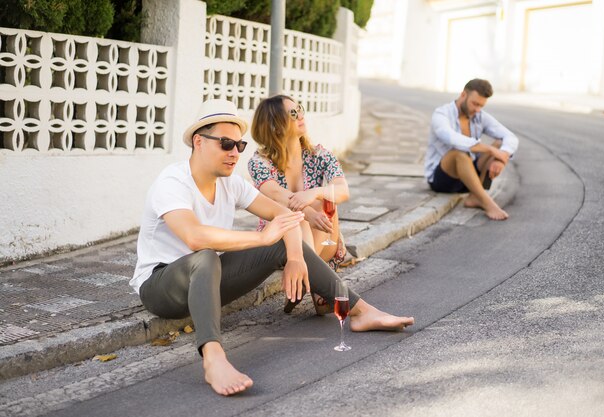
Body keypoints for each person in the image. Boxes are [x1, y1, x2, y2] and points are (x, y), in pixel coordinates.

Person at [131, 99, 414, 397]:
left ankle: (360, 311)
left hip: (207, 281)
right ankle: (213, 359)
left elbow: (284, 215)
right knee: (205, 256)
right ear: (199, 142)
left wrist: (293, 256)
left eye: (239, 146)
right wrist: (262, 239)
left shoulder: (232, 184)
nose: (234, 153)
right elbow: (195, 238)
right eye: (226, 144)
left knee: (265, 245)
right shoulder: (173, 181)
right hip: (161, 286)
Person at [248, 95, 349, 315]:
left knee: (326, 200)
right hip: (280, 242)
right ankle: (315, 279)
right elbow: (274, 193)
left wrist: (314, 193)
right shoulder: (259, 162)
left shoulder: (320, 155)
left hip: (323, 239)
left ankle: (309, 279)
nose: (301, 115)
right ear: (274, 124)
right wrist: (307, 213)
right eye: (293, 113)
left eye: (300, 109)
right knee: (296, 218)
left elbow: (343, 191)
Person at [424, 78, 519, 220]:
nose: (477, 109)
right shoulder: (441, 114)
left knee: (500, 144)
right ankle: (487, 203)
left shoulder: (479, 116)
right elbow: (450, 137)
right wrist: (489, 150)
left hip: (468, 178)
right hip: (442, 179)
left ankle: (475, 196)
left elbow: (510, 137)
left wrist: (501, 157)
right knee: (459, 154)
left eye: (481, 106)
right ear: (463, 95)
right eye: (475, 104)